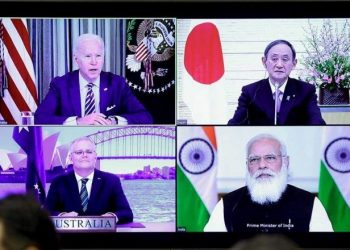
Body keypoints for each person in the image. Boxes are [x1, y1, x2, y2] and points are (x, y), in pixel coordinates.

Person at [204, 134, 333, 232]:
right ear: (247, 165)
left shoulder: (310, 204)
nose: (262, 165)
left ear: (286, 162)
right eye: (254, 159)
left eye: (270, 158)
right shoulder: (227, 205)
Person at [34, 33, 153, 125]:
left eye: (98, 56)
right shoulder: (61, 85)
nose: (94, 62)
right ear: (76, 59)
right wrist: (78, 122)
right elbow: (40, 118)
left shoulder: (117, 84)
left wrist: (114, 121)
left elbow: (145, 117)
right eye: (88, 56)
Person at [227, 40, 325, 125]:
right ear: (264, 62)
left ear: (294, 63)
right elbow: (235, 124)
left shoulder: (306, 91)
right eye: (274, 59)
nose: (279, 65)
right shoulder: (250, 92)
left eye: (285, 59)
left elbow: (317, 123)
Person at [45, 136, 133, 224]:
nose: (84, 155)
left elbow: (126, 213)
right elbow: (46, 212)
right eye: (79, 152)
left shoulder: (111, 180)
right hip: (68, 237)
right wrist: (62, 216)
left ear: (95, 156)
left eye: (89, 152)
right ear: (71, 158)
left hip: (103, 236)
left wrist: (112, 216)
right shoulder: (58, 182)